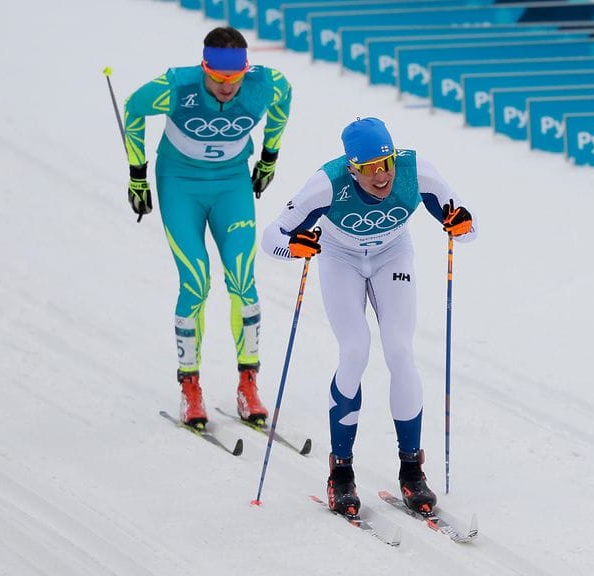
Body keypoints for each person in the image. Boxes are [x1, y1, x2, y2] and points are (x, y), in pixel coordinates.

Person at [261, 117, 476, 516]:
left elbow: (468, 227)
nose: (382, 176)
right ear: (352, 168)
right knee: (355, 351)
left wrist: (459, 225)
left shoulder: (417, 172)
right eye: (369, 169)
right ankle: (340, 474)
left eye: (387, 163)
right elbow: (270, 238)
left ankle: (412, 471)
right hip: (340, 259)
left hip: (392, 255)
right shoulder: (327, 184)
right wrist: (297, 248)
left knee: (399, 350)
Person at [122, 26, 291, 429]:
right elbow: (132, 107)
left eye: (234, 79)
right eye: (217, 79)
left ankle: (247, 385)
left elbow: (284, 104)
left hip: (231, 184)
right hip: (181, 185)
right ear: (205, 68)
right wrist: (137, 175)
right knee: (196, 281)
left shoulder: (266, 85)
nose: (227, 88)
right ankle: (190, 387)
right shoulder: (177, 86)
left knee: (242, 281)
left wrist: (269, 157)